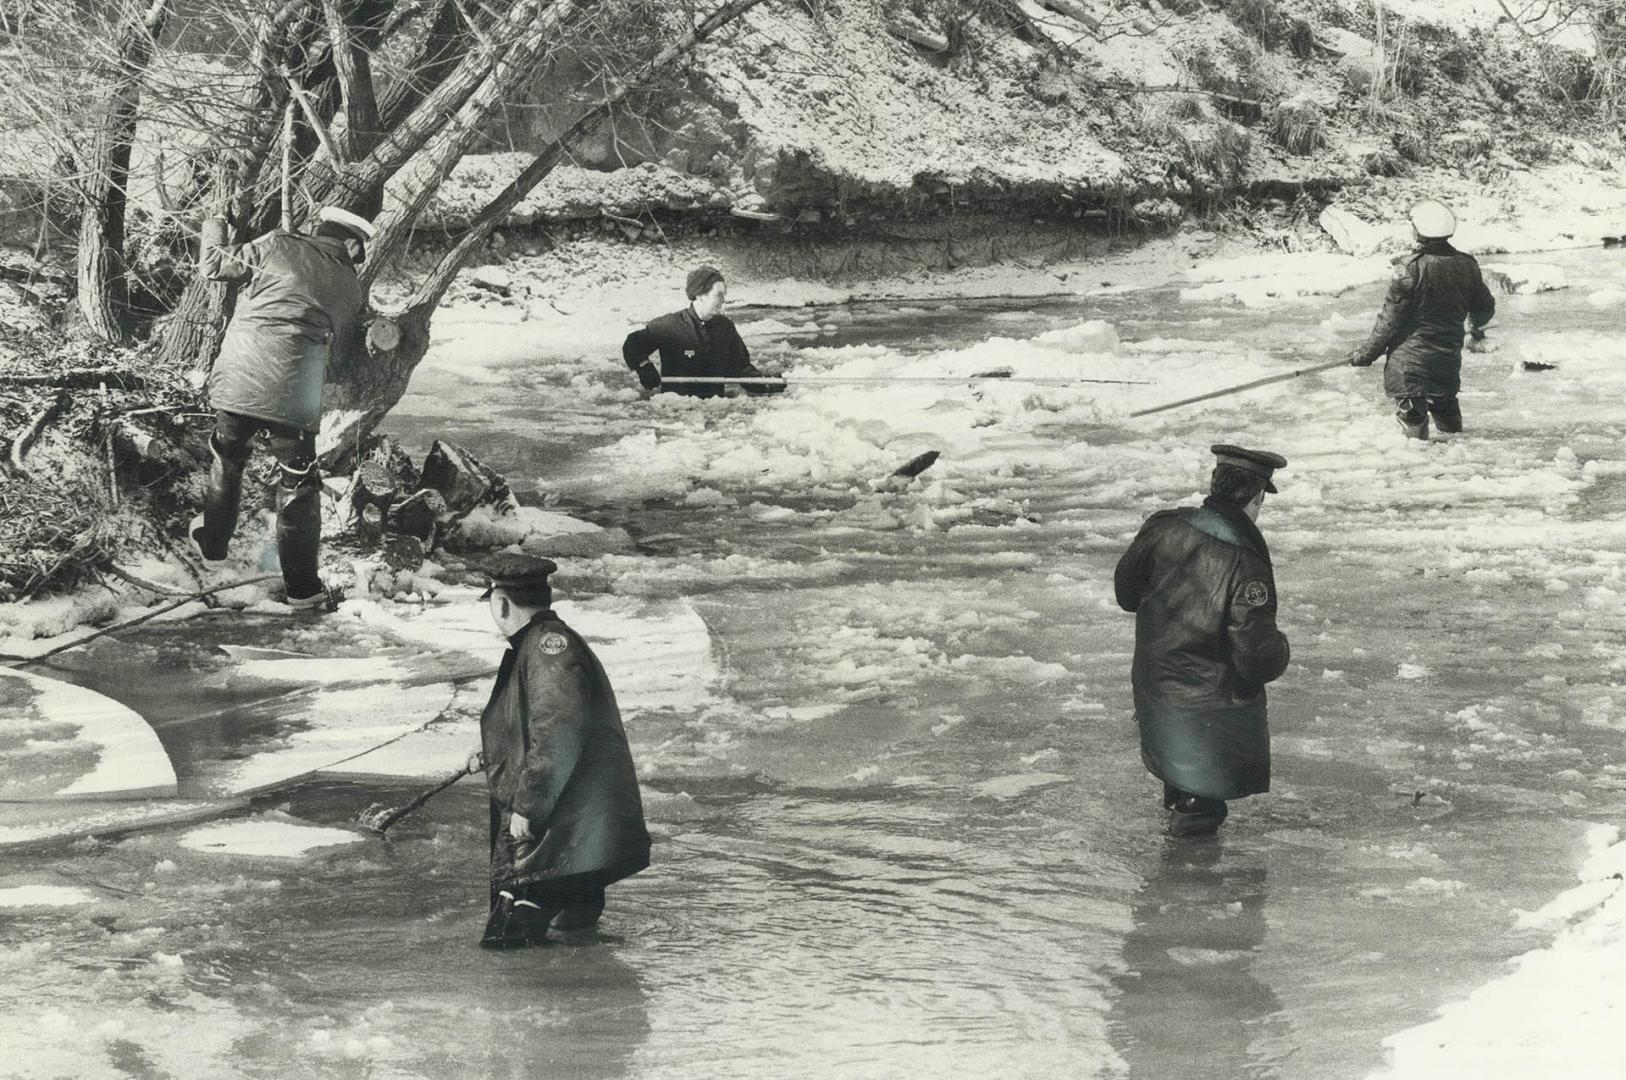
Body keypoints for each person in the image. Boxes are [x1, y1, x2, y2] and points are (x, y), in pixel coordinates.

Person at [188, 205, 373, 609]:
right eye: (359, 252)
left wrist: (216, 223)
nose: (359, 260)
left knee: (228, 456)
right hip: (294, 394)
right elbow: (338, 343)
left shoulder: (275, 245)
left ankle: (213, 548)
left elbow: (213, 264)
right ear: (351, 243)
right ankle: (303, 590)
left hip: (239, 376)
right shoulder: (350, 286)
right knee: (299, 487)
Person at [1114, 445, 1291, 838]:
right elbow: (1256, 657)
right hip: (1210, 708)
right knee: (1201, 812)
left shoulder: (1163, 527)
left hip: (1157, 689)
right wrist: (1282, 648)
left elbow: (1127, 594)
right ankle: (1188, 888)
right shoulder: (1245, 559)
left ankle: (1173, 875)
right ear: (1256, 496)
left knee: (1182, 791)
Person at [476, 553, 651, 948]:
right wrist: (493, 755)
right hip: (574, 834)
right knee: (569, 936)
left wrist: (528, 805)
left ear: (501, 603)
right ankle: (588, 991)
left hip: (560, 831)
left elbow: (559, 731)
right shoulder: (543, 645)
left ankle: (546, 1002)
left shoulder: (547, 648)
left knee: (508, 946)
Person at [1346, 198, 1497, 440]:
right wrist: (1474, 328)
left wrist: (1365, 354)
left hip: (1410, 366)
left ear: (1420, 231)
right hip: (1446, 362)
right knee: (1452, 432)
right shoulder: (1467, 265)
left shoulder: (1409, 269)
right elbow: (1485, 307)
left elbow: (1389, 322)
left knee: (1414, 434)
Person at [620, 265, 785, 398]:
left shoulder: (725, 327)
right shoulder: (669, 326)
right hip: (676, 412)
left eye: (723, 295)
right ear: (700, 295)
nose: (723, 301)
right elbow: (633, 344)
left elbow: (740, 368)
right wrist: (643, 366)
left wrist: (763, 383)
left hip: (715, 409)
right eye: (718, 295)